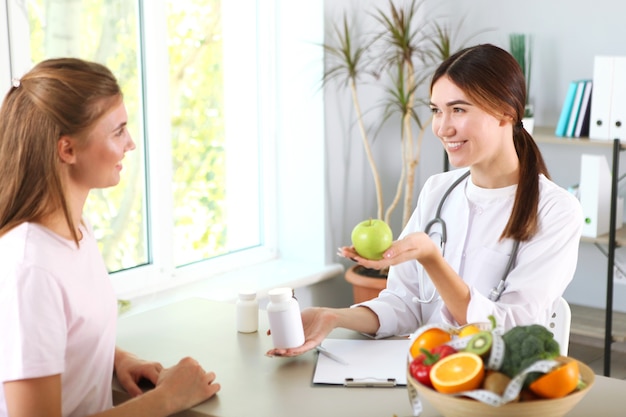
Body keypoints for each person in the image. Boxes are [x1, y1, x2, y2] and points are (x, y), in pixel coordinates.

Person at [267, 43, 583, 357]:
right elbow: (404, 303)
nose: (442, 127)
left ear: (506, 112)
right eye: (436, 110)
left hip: (495, 385)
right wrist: (333, 317)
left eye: (458, 109)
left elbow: (513, 331)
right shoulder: (438, 191)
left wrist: (432, 258)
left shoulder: (556, 211)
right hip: (425, 374)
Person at [0, 58, 220, 417]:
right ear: (67, 150)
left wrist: (116, 358)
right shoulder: (30, 270)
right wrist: (168, 398)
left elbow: (66, 333)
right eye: (118, 131)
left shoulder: (76, 230)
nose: (130, 143)